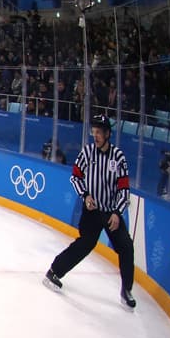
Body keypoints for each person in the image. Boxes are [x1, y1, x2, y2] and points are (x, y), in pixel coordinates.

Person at [43, 115, 137, 308]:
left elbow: (124, 189)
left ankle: (126, 290)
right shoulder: (87, 153)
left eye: (99, 132)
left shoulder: (118, 157)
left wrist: (117, 213)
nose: (96, 136)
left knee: (126, 246)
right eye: (94, 132)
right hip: (92, 211)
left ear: (108, 134)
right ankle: (54, 271)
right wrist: (85, 195)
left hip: (111, 212)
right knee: (86, 243)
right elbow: (75, 177)